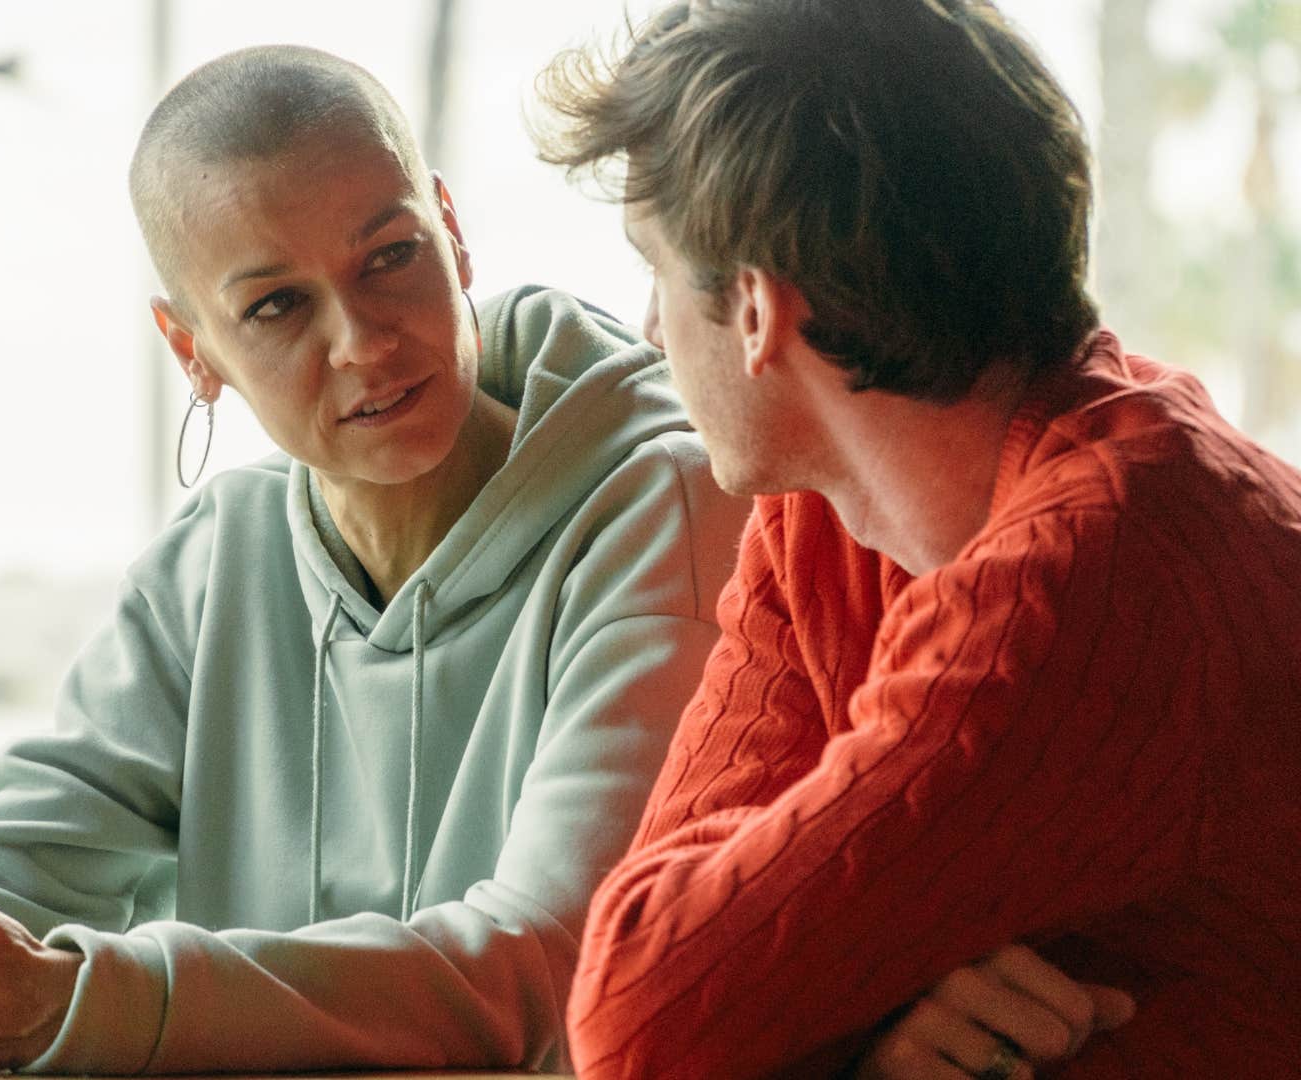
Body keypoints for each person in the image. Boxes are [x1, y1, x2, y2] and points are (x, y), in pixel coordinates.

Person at [0, 45, 755, 1074]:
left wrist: (61, 1003)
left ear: (454, 231)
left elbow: (553, 968)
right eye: (276, 306)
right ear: (193, 349)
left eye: (390, 255)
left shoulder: (667, 506)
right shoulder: (216, 559)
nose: (362, 340)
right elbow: (22, 858)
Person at [534, 1, 1301, 1077]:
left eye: (652, 268)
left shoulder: (1100, 572)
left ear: (756, 310)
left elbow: (639, 1017)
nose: (652, 329)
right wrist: (871, 1043)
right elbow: (662, 957)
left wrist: (819, 1009)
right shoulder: (824, 509)